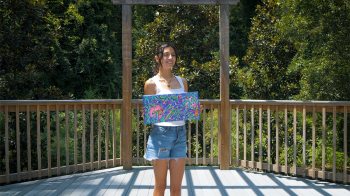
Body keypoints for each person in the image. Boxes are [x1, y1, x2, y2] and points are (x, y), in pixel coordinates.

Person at [144, 42, 188, 196]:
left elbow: (183, 111)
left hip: (180, 134)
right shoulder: (151, 84)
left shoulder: (183, 82)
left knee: (176, 189)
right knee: (160, 187)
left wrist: (193, 109)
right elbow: (149, 115)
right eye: (166, 54)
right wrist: (148, 112)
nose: (171, 58)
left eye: (173, 55)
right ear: (158, 58)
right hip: (160, 135)